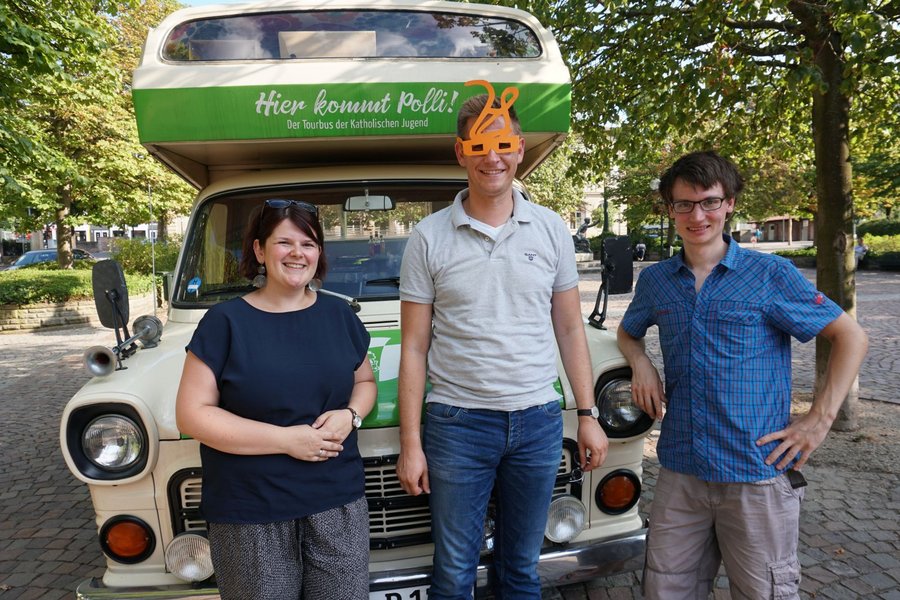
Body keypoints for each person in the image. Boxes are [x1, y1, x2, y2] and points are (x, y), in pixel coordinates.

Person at [616, 151, 868, 599]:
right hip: (681, 469)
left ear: (729, 203)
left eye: (709, 202)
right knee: (664, 591)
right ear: (670, 209)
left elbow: (850, 337)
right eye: (684, 204)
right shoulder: (656, 281)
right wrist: (640, 362)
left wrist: (819, 419)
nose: (698, 216)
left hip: (755, 471)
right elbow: (627, 331)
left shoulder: (770, 274)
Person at [396, 90, 608, 600]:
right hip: (457, 424)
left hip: (537, 421)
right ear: (460, 152)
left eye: (504, 144)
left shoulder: (551, 229)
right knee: (453, 573)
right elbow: (414, 347)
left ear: (519, 149)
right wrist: (410, 443)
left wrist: (587, 413)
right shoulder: (427, 237)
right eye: (479, 145)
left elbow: (570, 329)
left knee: (522, 570)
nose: (492, 157)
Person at [175, 198, 376, 600]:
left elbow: (365, 382)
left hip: (337, 503)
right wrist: (287, 440)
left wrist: (351, 415)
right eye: (285, 242)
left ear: (319, 253)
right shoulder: (224, 323)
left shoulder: (340, 316)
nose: (297, 253)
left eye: (309, 244)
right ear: (259, 250)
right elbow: (192, 415)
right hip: (251, 512)